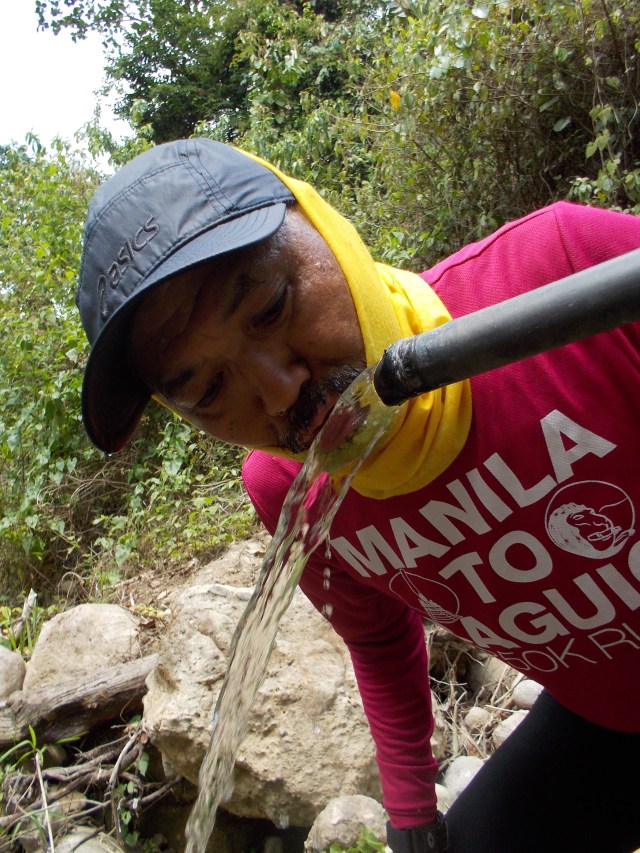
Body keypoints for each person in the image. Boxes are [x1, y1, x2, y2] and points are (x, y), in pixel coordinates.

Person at [76, 137, 640, 853]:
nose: (279, 390)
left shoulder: (566, 268)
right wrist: (410, 814)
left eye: (274, 306)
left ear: (326, 228)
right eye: (212, 389)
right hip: (612, 720)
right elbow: (376, 635)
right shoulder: (289, 490)